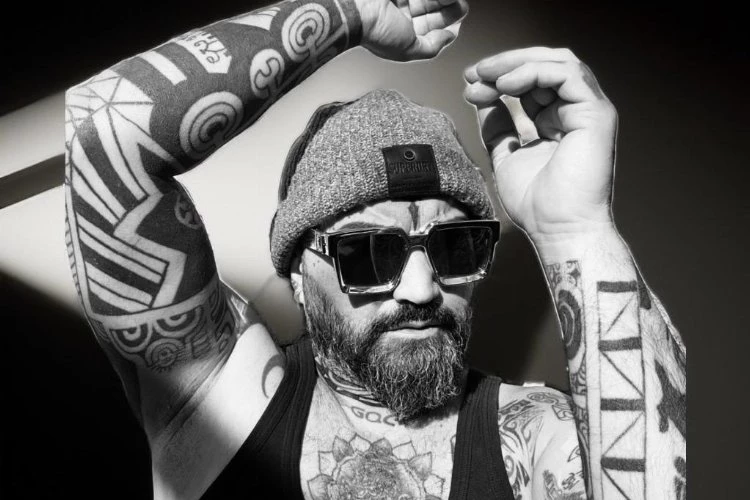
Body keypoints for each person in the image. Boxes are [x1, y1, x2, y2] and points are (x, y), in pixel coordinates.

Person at [63, 0, 687, 498]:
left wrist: (575, 228)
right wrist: (349, 12)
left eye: (455, 247)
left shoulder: (534, 433)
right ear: (299, 274)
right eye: (367, 253)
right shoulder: (222, 398)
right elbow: (104, 127)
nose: (421, 290)